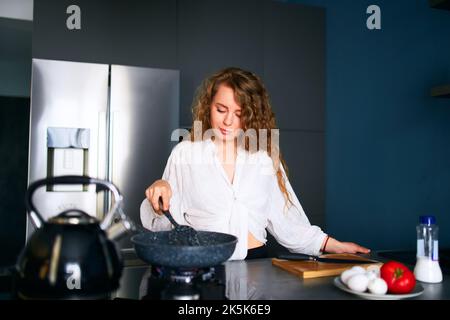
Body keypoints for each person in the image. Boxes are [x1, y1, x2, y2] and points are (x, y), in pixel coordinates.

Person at [140, 67, 370, 260]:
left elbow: (287, 220)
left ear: (252, 116)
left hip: (256, 263)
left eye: (240, 114)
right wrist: (160, 190)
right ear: (208, 106)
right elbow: (164, 225)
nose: (228, 121)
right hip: (202, 264)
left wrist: (332, 245)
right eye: (221, 109)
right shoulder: (185, 153)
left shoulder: (264, 156)